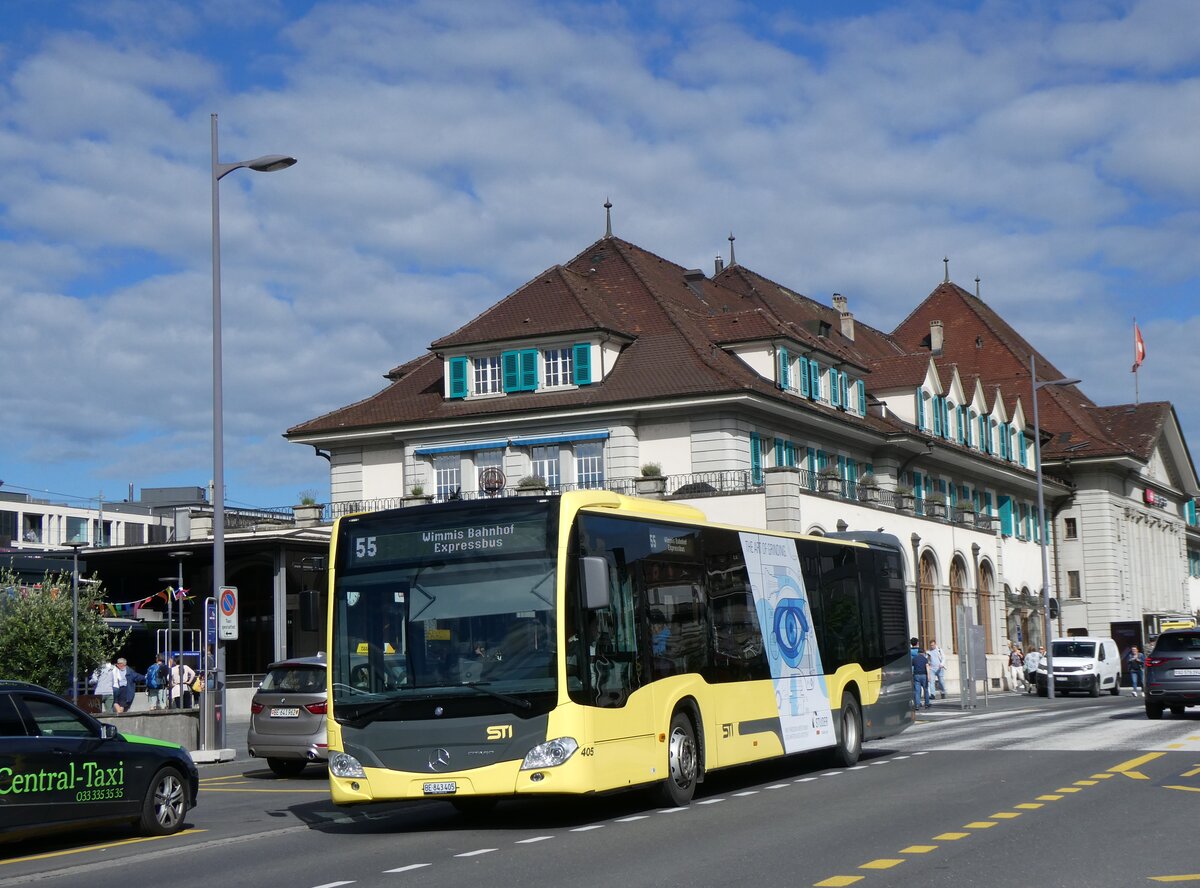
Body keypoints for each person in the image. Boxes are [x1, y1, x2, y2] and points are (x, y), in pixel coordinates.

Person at [912, 645, 931, 710]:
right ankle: (927, 704)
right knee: (926, 690)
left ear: (918, 652)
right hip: (924, 675)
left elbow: (912, 667)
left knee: (917, 691)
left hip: (916, 675)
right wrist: (928, 676)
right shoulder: (925, 659)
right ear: (923, 653)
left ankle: (917, 705)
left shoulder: (914, 659)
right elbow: (927, 667)